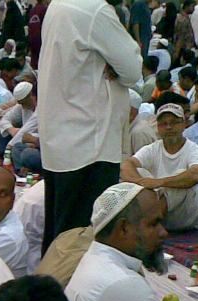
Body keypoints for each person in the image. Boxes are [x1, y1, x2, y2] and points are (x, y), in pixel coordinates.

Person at [37, 0, 141, 253]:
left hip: (62, 142)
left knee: (60, 236)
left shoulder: (59, 5)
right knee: (81, 242)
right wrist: (117, 66)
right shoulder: (95, 10)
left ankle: (52, 290)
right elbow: (132, 69)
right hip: (90, 145)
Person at [65, 182, 196, 301]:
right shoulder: (119, 282)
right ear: (124, 228)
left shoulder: (98, 260)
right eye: (154, 224)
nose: (163, 232)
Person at [120, 103, 198, 231]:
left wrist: (159, 182)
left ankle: (147, 225)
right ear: (158, 127)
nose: (169, 127)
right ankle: (146, 222)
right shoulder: (153, 148)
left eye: (174, 122)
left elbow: (196, 174)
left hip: (184, 217)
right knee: (137, 172)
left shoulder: (194, 150)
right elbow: (127, 165)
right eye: (163, 124)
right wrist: (140, 182)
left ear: (183, 124)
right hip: (156, 207)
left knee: (180, 175)